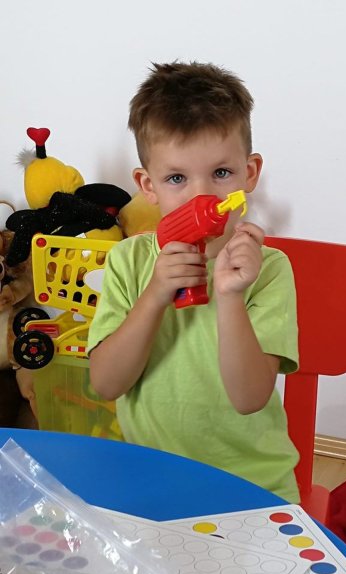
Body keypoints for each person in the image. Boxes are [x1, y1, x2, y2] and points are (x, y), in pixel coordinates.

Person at [88, 61, 300, 502]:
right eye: (177, 178)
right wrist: (154, 295)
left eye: (221, 173)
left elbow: (249, 398)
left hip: (252, 485)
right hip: (151, 477)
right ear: (148, 185)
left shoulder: (269, 270)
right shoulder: (129, 261)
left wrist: (230, 296)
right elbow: (106, 384)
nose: (201, 197)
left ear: (250, 174)